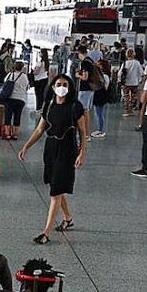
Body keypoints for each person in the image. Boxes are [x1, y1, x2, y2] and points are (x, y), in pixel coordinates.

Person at [19, 73, 88, 244]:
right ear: (53, 87)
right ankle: (68, 218)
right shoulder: (49, 106)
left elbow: (83, 132)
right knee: (56, 185)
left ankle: (46, 232)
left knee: (56, 191)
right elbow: (39, 130)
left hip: (67, 150)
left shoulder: (75, 106)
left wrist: (82, 152)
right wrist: (26, 146)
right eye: (59, 84)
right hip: (51, 149)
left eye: (65, 84)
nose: (62, 87)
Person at [0, 60, 30, 140]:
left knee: (8, 116)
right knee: (17, 116)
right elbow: (27, 87)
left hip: (10, 98)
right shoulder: (24, 76)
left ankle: (7, 134)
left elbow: (4, 83)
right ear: (22, 68)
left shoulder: (10, 74)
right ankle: (15, 134)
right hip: (21, 99)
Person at [89, 59, 110, 137]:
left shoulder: (104, 76)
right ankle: (100, 129)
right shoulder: (103, 76)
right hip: (100, 97)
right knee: (98, 113)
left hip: (100, 97)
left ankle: (101, 130)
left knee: (99, 114)